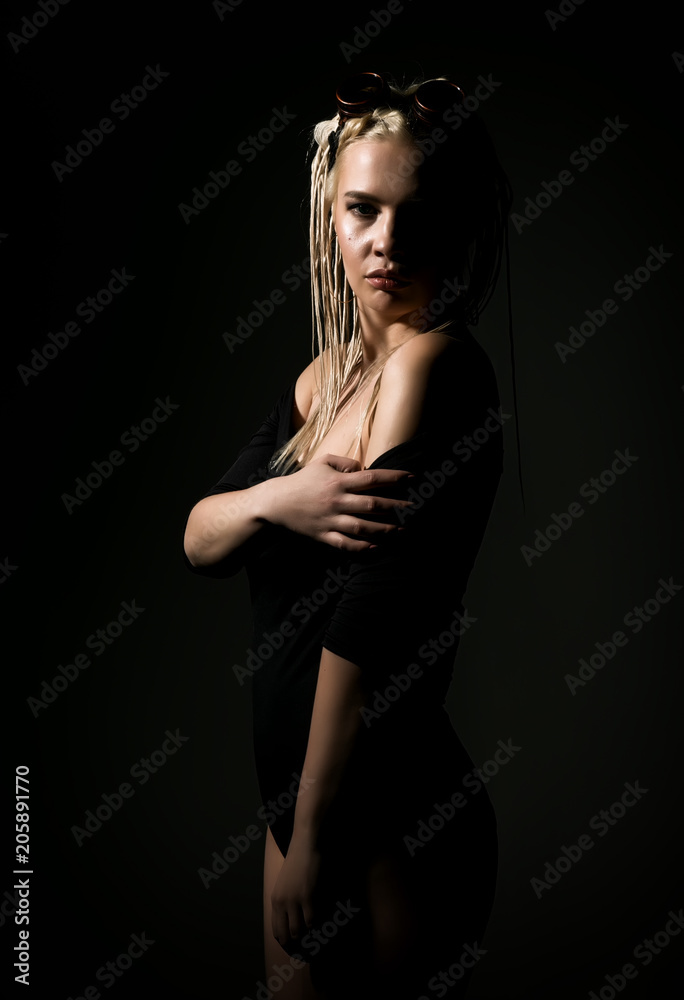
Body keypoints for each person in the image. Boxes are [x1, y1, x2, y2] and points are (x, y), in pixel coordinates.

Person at [184, 70, 513, 999]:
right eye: (361, 210)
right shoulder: (318, 383)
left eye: (416, 211)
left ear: (454, 219)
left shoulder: (436, 365)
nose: (387, 243)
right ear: (329, 214)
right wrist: (273, 503)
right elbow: (200, 539)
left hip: (381, 812)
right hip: (297, 807)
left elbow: (375, 620)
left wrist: (317, 833)